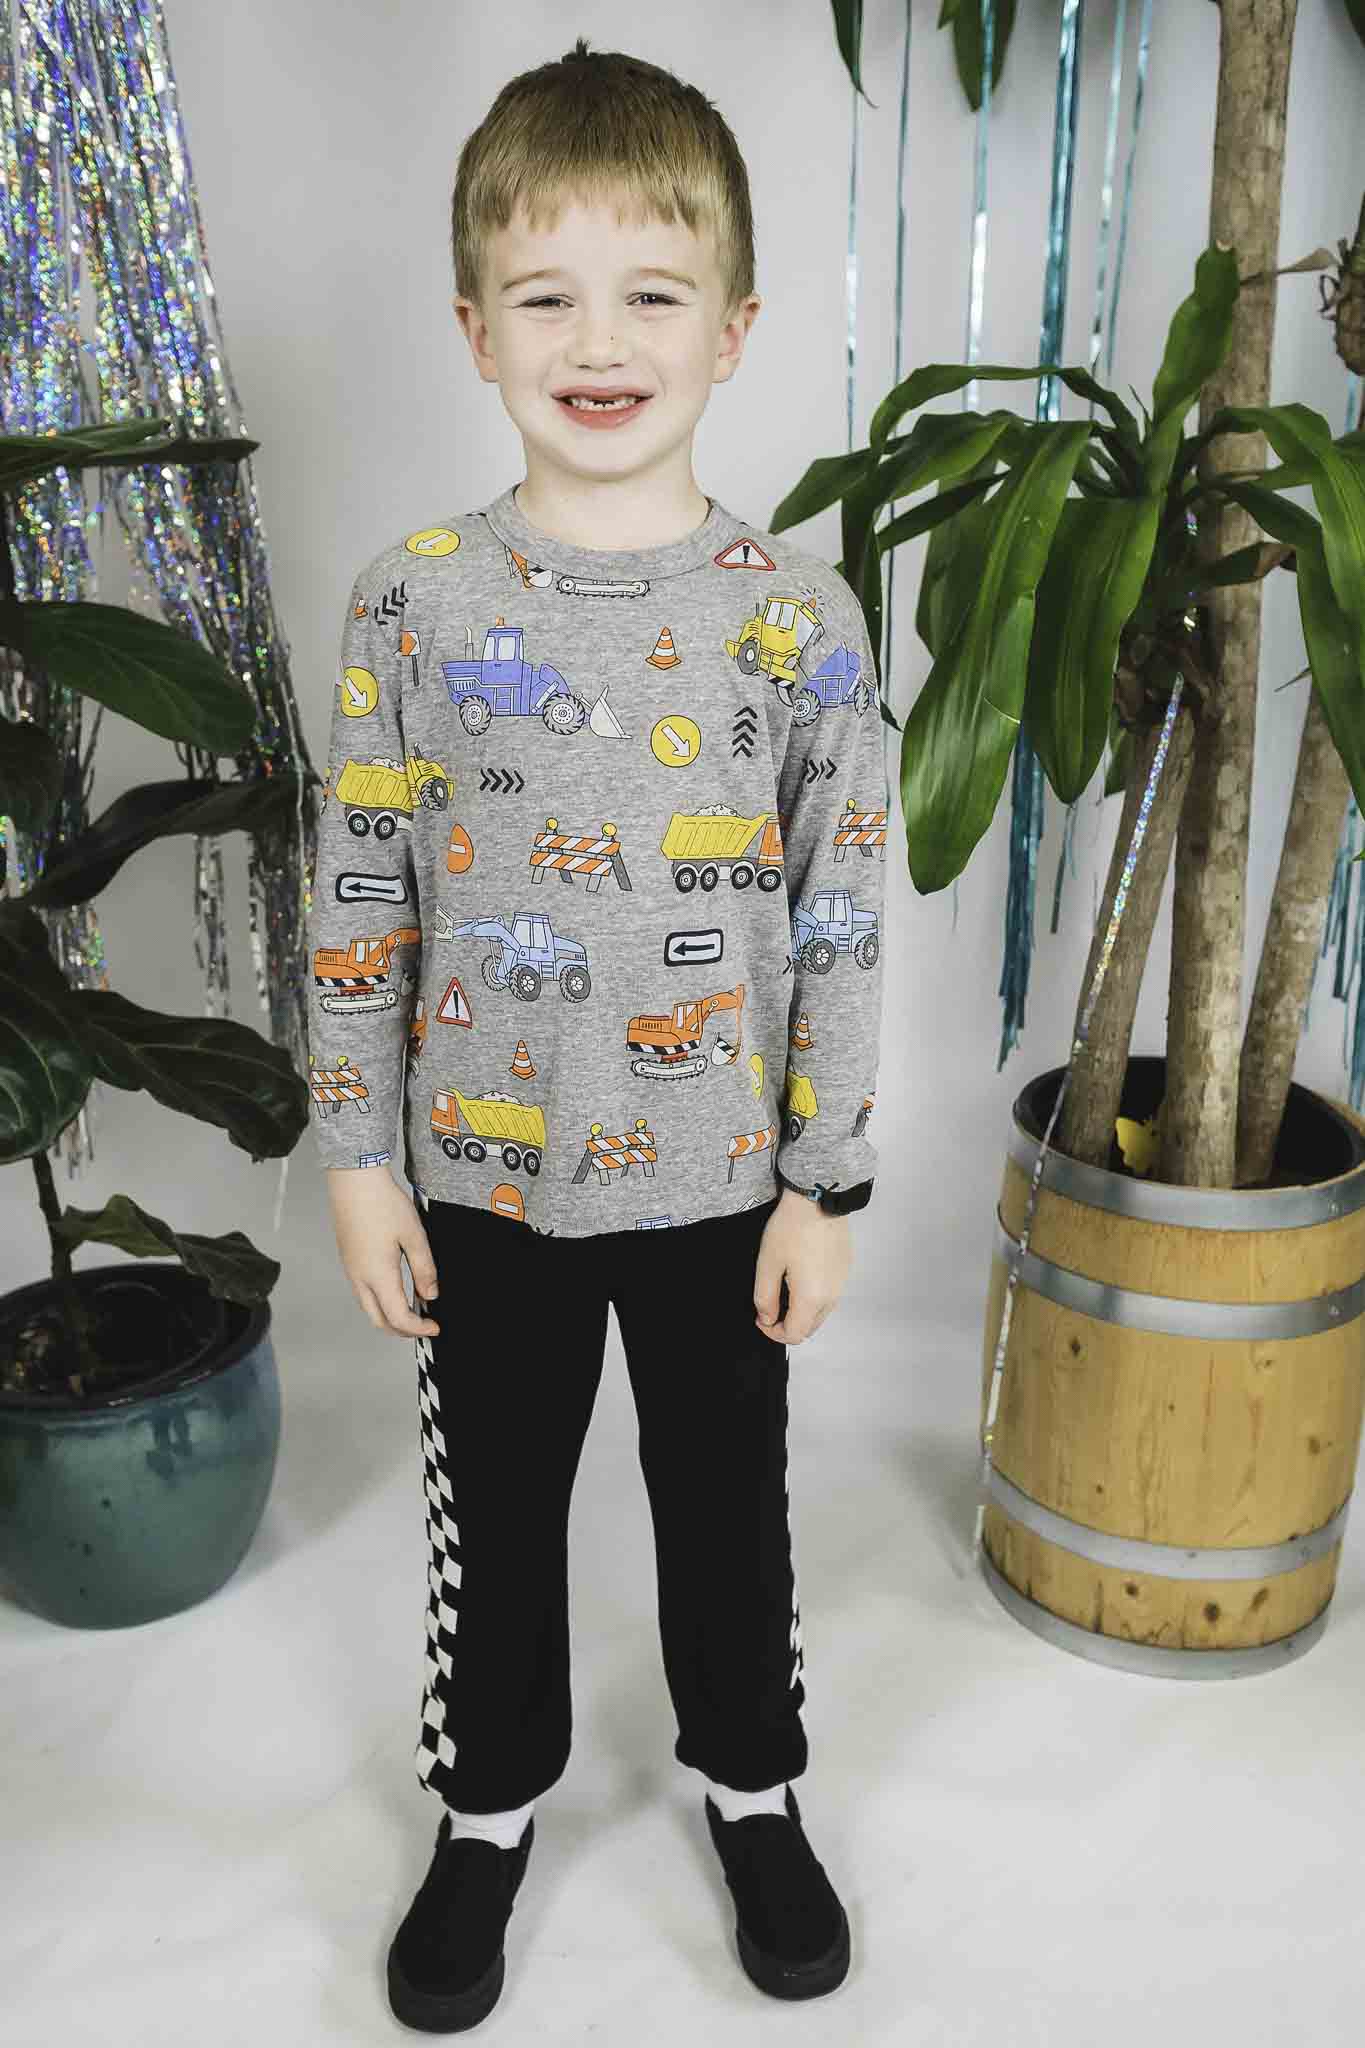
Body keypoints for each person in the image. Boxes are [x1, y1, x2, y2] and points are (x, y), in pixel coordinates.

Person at [306, 34, 888, 2032]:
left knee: (727, 1514)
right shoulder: (408, 603)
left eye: (651, 292)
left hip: (721, 1183)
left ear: (734, 326)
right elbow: (360, 889)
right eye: (545, 297)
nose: (600, 341)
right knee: (497, 1518)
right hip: (482, 1186)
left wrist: (823, 1181)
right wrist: (361, 1161)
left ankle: (752, 1786)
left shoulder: (796, 617)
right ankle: (487, 1812)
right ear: (475, 330)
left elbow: (838, 914)